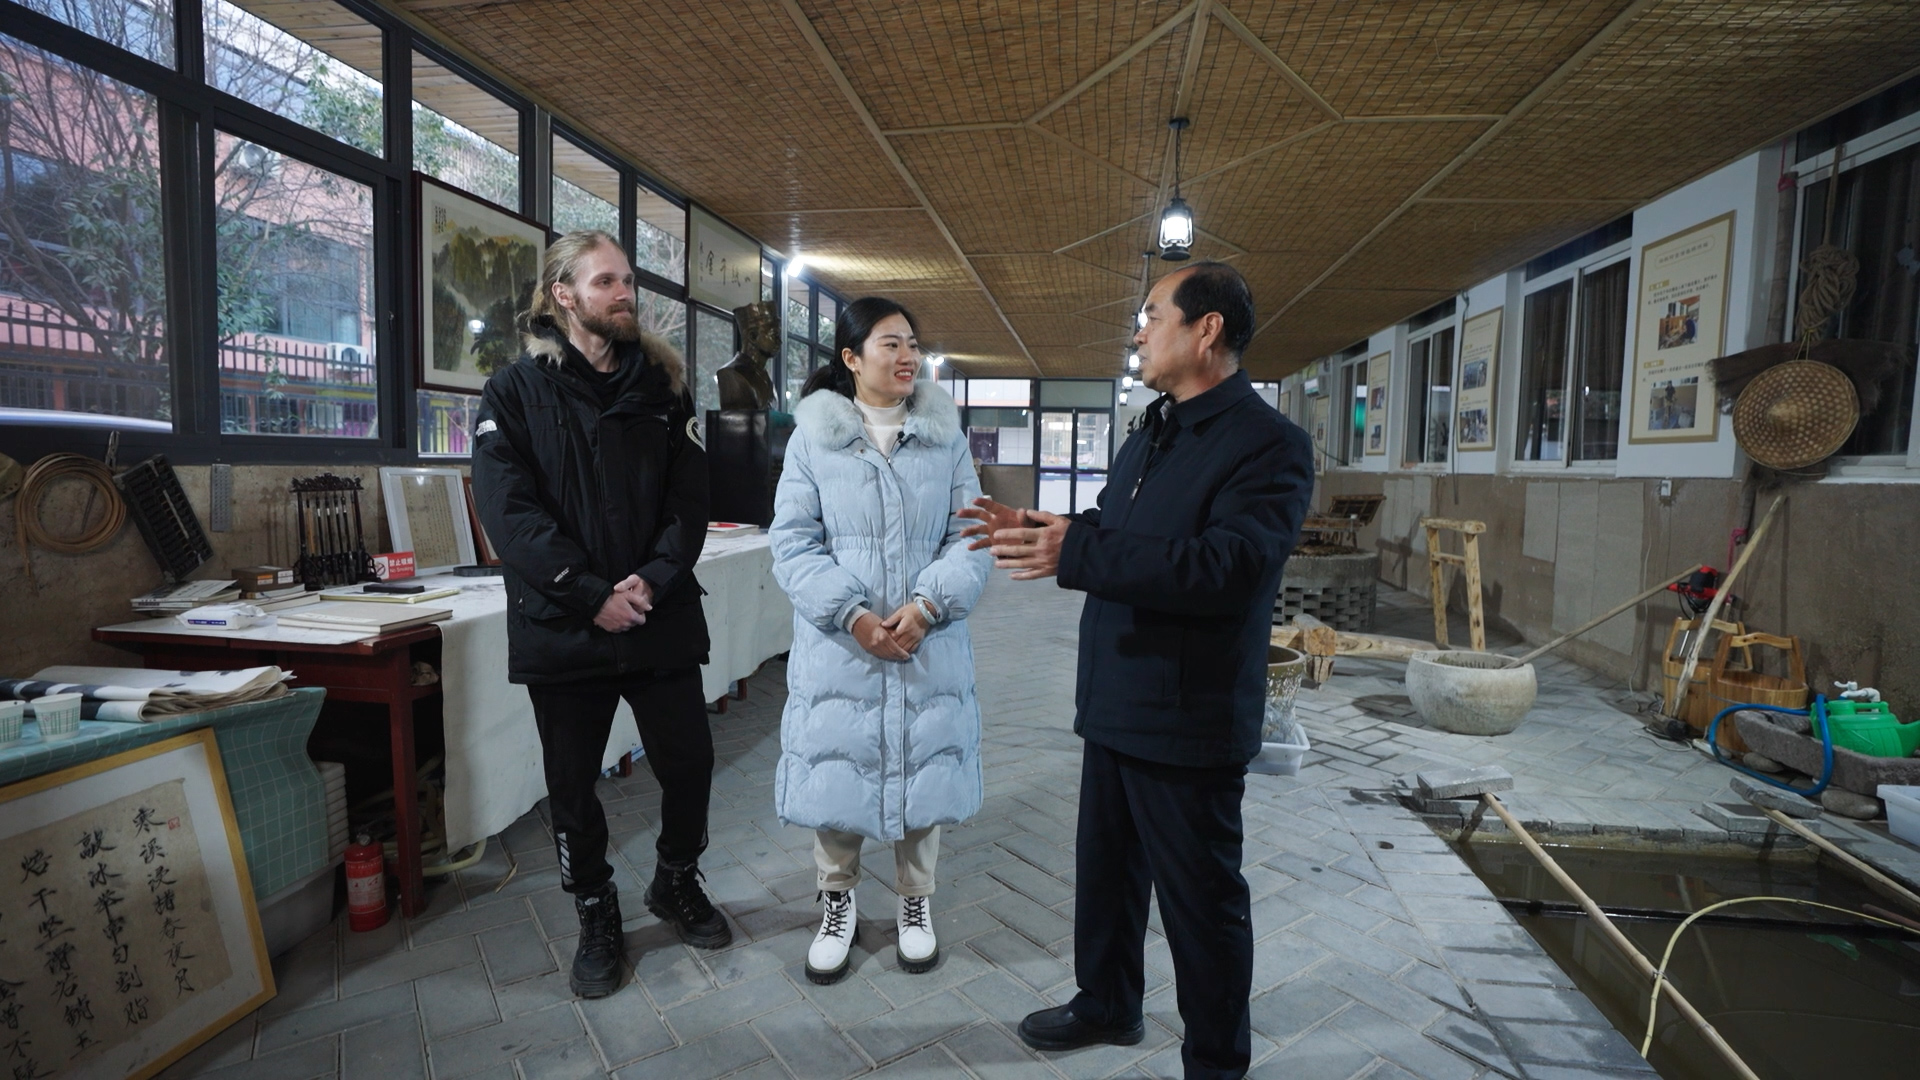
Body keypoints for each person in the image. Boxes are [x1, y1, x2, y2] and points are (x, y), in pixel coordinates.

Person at [960, 262, 1313, 1079]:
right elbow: (1128, 530)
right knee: (1107, 872)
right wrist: (1053, 527)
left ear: (1207, 330)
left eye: (1153, 316)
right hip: (1116, 695)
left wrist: (1077, 550)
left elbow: (1228, 569)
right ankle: (1108, 1002)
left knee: (1202, 904)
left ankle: (1217, 1061)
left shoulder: (1269, 445)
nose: (1139, 332)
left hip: (1188, 714)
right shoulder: (1155, 427)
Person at [472, 230, 731, 1000]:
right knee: (574, 788)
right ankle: (594, 909)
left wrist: (647, 583)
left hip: (658, 619)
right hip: (565, 624)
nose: (627, 293)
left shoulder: (663, 388)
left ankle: (675, 880)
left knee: (690, 765)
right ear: (563, 293)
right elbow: (507, 512)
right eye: (608, 281)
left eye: (629, 281)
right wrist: (591, 594)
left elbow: (690, 503)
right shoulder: (515, 392)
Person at [769, 296, 990, 985]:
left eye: (913, 345)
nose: (907, 357)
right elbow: (794, 542)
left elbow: (972, 536)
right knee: (839, 767)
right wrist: (855, 615)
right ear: (851, 358)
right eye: (890, 344)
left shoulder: (945, 438)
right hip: (843, 646)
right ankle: (836, 903)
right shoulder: (814, 441)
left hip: (928, 641)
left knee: (925, 769)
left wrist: (927, 607)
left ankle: (915, 905)